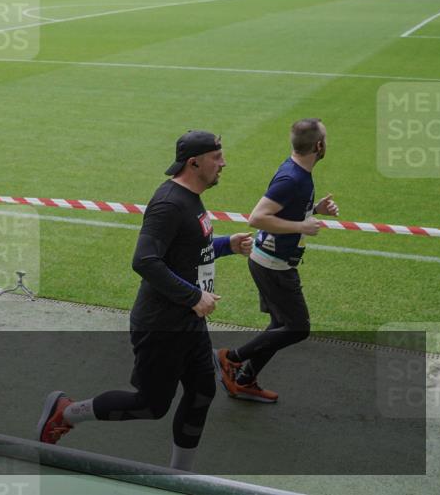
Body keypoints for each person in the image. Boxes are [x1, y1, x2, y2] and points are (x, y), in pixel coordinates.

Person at [36, 130, 252, 472]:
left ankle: (180, 476)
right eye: (217, 157)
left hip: (188, 322)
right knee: (151, 405)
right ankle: (66, 412)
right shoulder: (169, 203)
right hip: (162, 326)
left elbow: (188, 248)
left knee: (201, 393)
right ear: (194, 162)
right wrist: (194, 296)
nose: (223, 163)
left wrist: (226, 244)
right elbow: (145, 260)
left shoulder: (191, 198)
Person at [215, 118, 337, 404]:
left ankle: (244, 381)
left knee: (280, 324)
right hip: (273, 266)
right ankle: (230, 359)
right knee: (297, 328)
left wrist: (315, 209)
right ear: (319, 145)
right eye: (326, 139)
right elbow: (256, 217)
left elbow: (289, 207)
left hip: (271, 261)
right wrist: (301, 227)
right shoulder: (292, 178)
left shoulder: (298, 172)